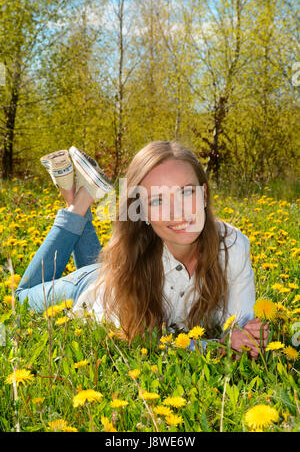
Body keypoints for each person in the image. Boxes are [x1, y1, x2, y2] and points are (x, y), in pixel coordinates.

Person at [16, 141, 269, 358]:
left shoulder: (233, 245)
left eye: (186, 192)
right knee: (21, 297)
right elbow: (140, 338)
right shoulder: (131, 260)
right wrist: (215, 347)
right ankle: (79, 203)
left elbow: (241, 333)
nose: (177, 212)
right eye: (158, 200)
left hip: (112, 271)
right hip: (89, 289)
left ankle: (78, 192)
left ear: (204, 195)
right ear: (142, 212)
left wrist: (244, 338)